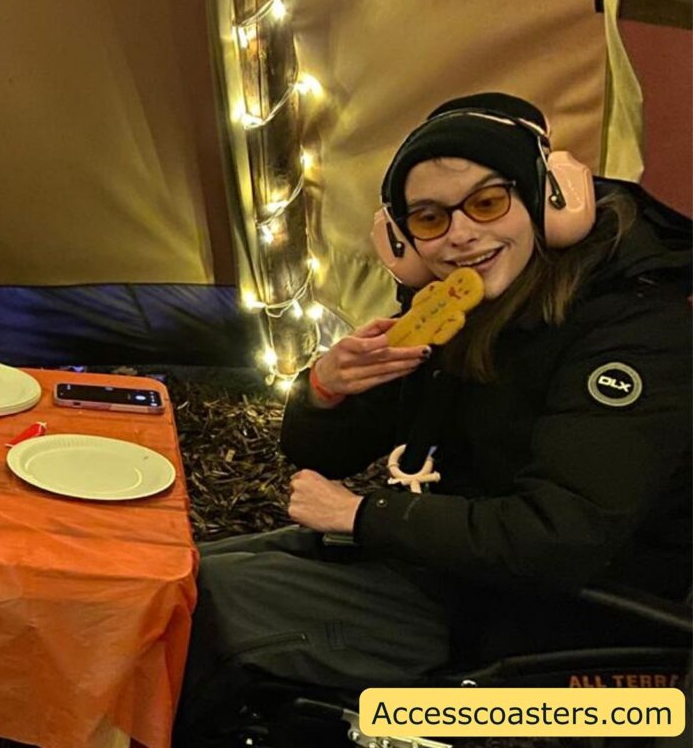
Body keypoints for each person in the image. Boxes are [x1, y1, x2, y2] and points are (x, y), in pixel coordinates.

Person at [173, 92, 692, 744]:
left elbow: (560, 537)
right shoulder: (457, 309)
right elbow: (322, 451)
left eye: (487, 203)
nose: (461, 234)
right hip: (446, 567)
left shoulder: (637, 333)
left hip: (552, 626)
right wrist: (326, 390)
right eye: (429, 217)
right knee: (174, 577)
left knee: (191, 619)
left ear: (544, 203)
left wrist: (363, 515)